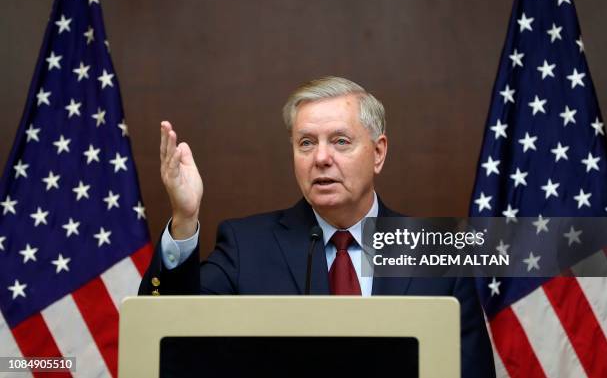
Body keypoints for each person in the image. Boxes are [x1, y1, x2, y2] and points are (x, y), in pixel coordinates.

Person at [139, 76, 495, 377]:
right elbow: (169, 337)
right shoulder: (247, 246)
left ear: (378, 153)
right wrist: (184, 219)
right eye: (306, 143)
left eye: (340, 141)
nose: (321, 158)